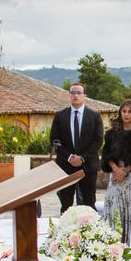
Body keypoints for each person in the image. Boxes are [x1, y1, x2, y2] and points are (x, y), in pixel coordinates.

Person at [50, 82, 104, 213]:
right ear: (69, 95)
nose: (76, 95)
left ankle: (88, 232)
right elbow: (54, 141)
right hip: (66, 166)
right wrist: (69, 157)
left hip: (88, 166)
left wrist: (82, 158)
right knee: (66, 204)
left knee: (89, 204)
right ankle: (65, 233)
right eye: (73, 92)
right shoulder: (60, 115)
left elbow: (98, 141)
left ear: (84, 96)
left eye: (79, 93)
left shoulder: (94, 115)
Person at [101, 99, 131, 243]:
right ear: (120, 112)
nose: (126, 114)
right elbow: (106, 154)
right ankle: (112, 246)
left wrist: (125, 171)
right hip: (114, 176)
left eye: (130, 111)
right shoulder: (112, 133)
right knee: (114, 210)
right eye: (124, 111)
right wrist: (115, 169)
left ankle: (130, 246)